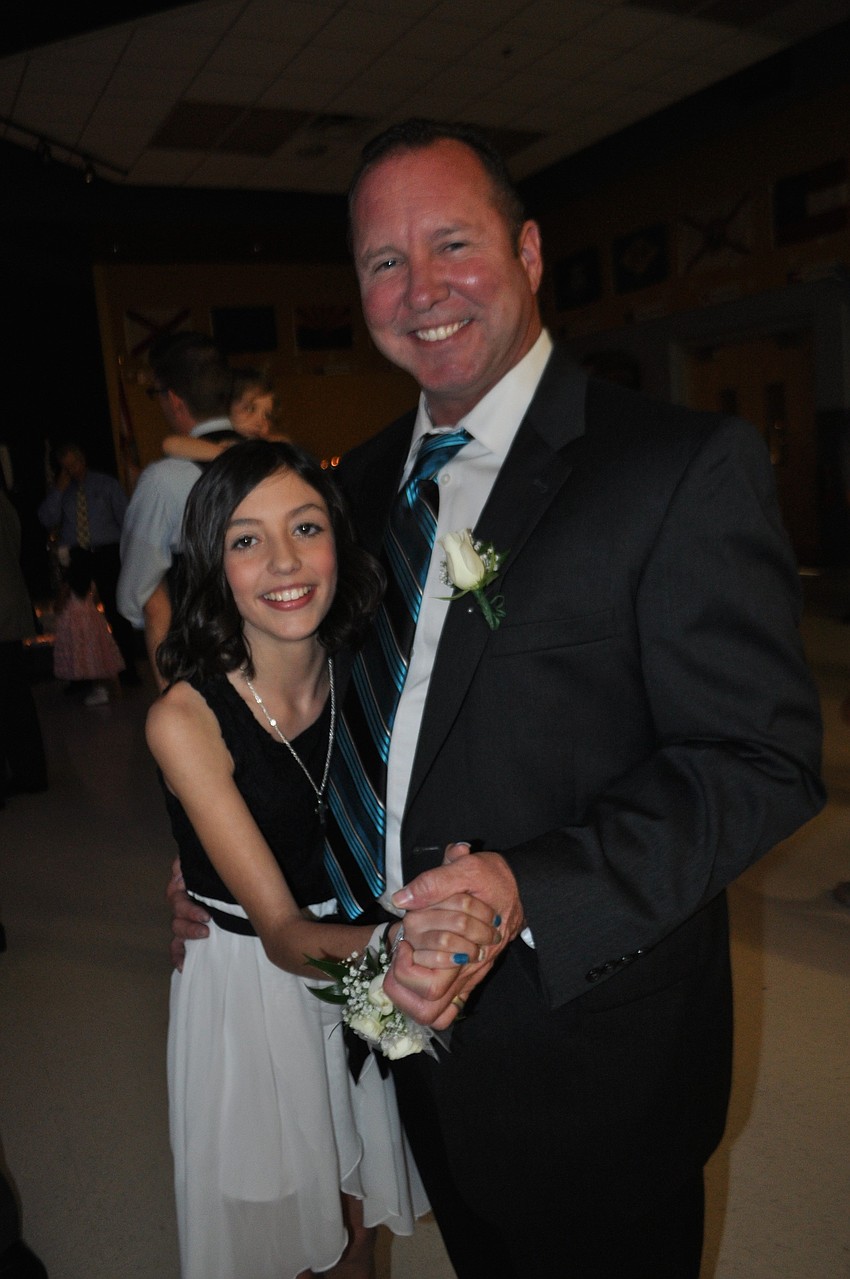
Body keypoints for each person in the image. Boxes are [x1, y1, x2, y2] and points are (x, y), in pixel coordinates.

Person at [171, 119, 825, 1277]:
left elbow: (757, 757)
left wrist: (530, 886)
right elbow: (312, 704)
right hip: (404, 1025)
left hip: (588, 1049)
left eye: (452, 243)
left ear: (527, 253)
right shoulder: (353, 487)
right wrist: (225, 856)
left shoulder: (676, 465)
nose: (420, 288)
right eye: (383, 260)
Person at [149, 438, 497, 1279]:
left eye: (305, 526)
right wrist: (401, 952)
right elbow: (276, 929)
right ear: (212, 564)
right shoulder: (186, 718)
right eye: (245, 539)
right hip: (257, 985)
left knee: (357, 1222)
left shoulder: (368, 670)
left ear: (340, 537)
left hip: (361, 958)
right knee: (289, 1236)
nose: (283, 561)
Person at [117, 332, 236, 688]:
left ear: (173, 400)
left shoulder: (163, 480)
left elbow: (136, 593)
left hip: (211, 663)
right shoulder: (282, 458)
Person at [37, 443, 140, 685]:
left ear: (82, 460)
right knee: (76, 615)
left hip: (106, 551)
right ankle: (80, 678)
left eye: (73, 463)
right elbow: (45, 518)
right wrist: (58, 491)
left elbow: (126, 519)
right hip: (78, 555)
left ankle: (129, 671)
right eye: (65, 467)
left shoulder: (106, 485)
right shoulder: (63, 491)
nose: (71, 470)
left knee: (116, 611)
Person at [0, 483, 47, 807]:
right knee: (16, 697)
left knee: (12, 698)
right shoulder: (3, 501)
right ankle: (31, 774)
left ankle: (25, 774)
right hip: (8, 606)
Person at [160, 366, 289, 466]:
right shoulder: (222, 441)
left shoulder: (266, 445)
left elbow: (284, 442)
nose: (260, 422)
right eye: (249, 409)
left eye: (267, 416)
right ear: (226, 406)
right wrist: (227, 453)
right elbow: (170, 444)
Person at [50, 550, 124, 705]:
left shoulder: (68, 584)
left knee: (78, 652)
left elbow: (59, 604)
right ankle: (97, 686)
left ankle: (83, 683)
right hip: (92, 620)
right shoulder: (90, 583)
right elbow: (96, 600)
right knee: (93, 653)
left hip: (72, 624)